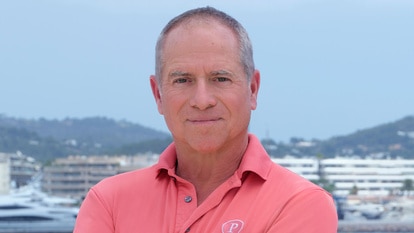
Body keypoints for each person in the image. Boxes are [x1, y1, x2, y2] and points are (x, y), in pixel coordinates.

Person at [74, 6, 338, 233]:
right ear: (158, 95)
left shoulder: (300, 202)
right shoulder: (109, 201)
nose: (202, 100)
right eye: (183, 80)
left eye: (220, 78)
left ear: (252, 89)